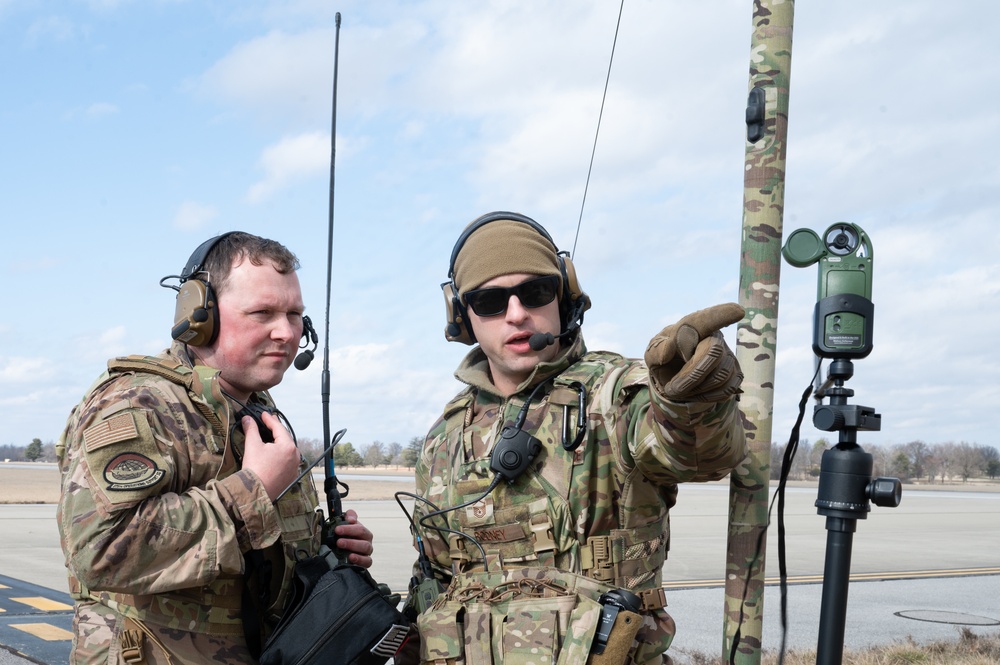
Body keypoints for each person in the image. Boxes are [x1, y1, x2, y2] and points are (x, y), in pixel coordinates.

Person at [405, 212, 747, 665]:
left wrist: (692, 402)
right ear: (461, 315)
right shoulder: (444, 436)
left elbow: (700, 454)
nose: (516, 313)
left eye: (535, 292)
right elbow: (434, 579)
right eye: (489, 301)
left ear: (563, 295)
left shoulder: (616, 393)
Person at [56, 232, 375, 664]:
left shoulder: (256, 406)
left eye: (295, 314)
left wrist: (324, 548)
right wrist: (255, 488)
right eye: (262, 312)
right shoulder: (139, 402)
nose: (286, 332)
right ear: (199, 315)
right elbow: (100, 549)